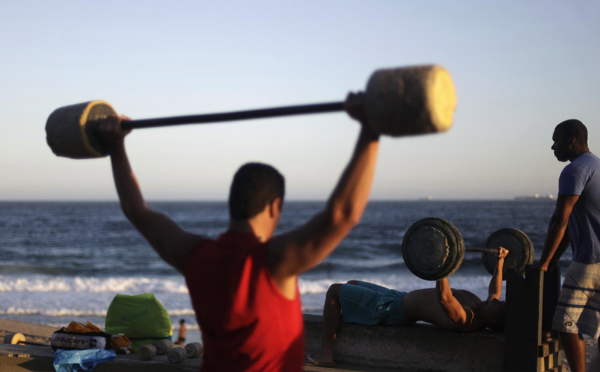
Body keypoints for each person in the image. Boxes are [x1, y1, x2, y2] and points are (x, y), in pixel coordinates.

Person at [97, 92, 380, 372]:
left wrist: (116, 147)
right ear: (275, 207)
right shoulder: (275, 261)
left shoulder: (194, 255)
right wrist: (370, 128)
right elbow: (343, 215)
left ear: (232, 203)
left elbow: (138, 213)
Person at [306, 248, 508, 367]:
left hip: (389, 309)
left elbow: (445, 298)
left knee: (334, 290)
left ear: (491, 321)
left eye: (496, 306)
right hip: (397, 297)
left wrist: (441, 265)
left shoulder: (465, 318)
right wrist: (500, 262)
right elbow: (495, 291)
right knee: (352, 283)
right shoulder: (482, 307)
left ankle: (326, 352)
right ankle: (349, 319)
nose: (494, 300)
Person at [533, 119, 600, 372]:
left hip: (590, 261)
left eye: (556, 140)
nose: (553, 147)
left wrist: (543, 264)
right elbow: (573, 228)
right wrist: (554, 260)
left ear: (571, 138)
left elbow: (560, 219)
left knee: (565, 324)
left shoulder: (575, 170)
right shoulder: (596, 165)